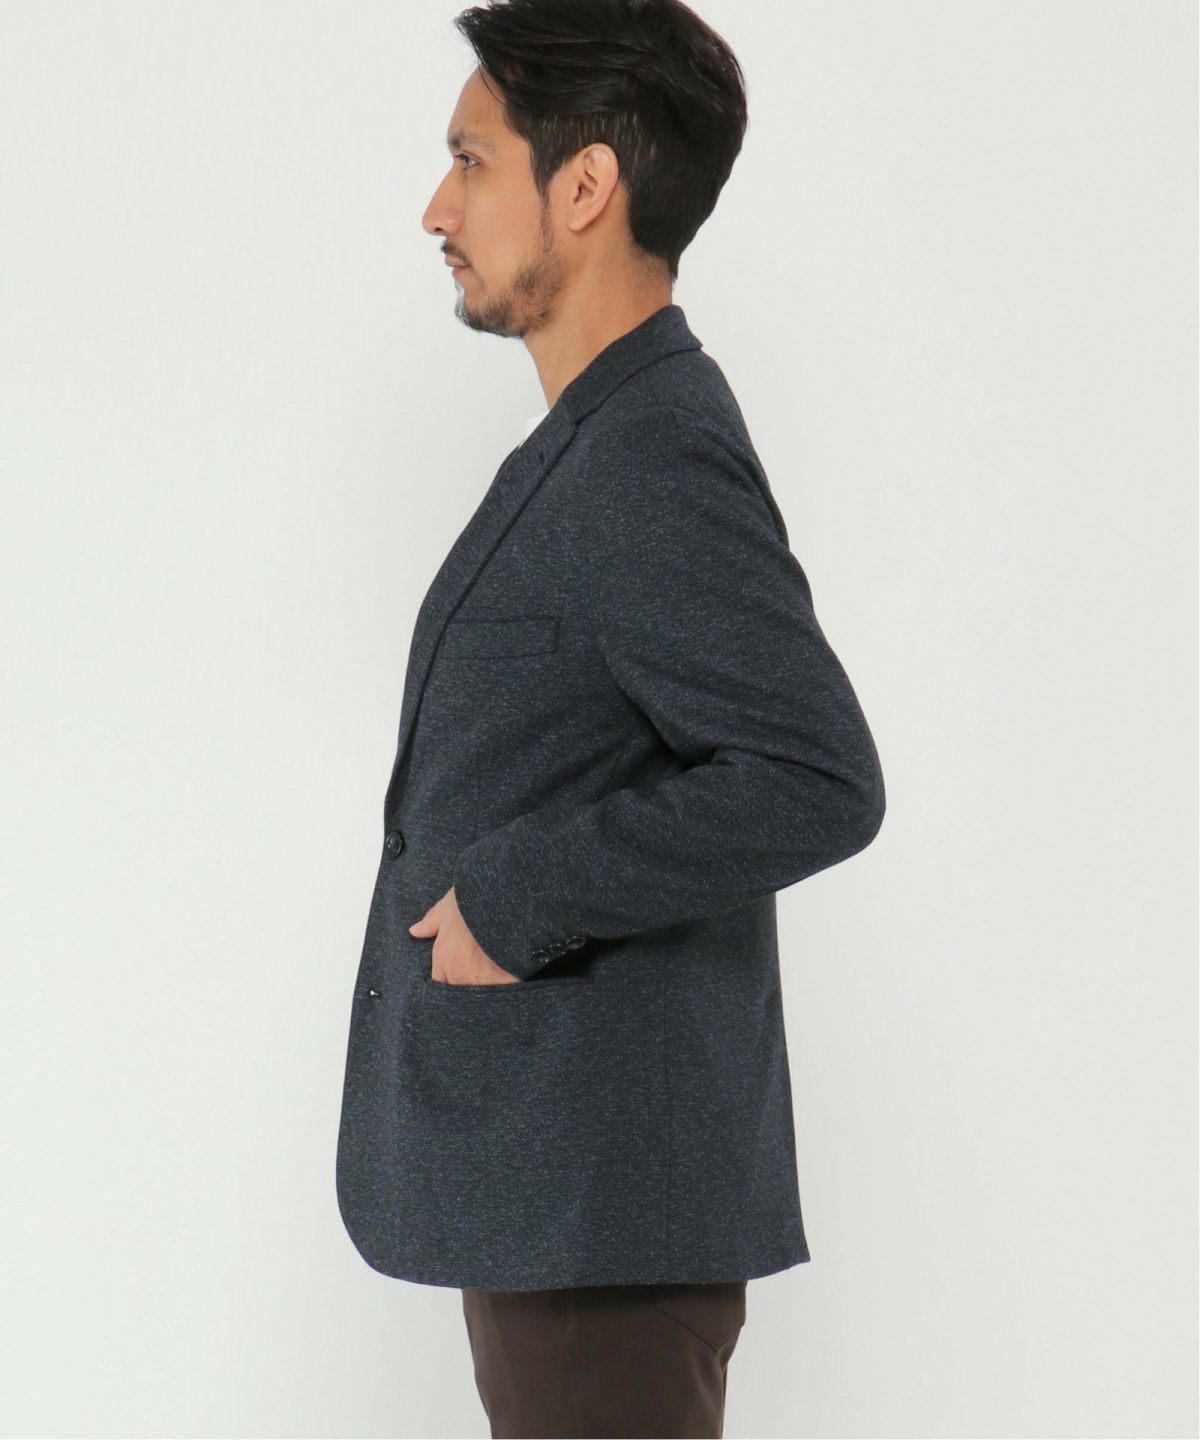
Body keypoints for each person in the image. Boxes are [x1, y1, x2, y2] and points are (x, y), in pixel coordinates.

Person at [335, 1, 886, 1435]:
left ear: (584, 187)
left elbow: (816, 774)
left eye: (472, 160)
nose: (437, 208)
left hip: (602, 1234)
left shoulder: (650, 455)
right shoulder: (598, 441)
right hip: (562, 1209)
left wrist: (513, 899)